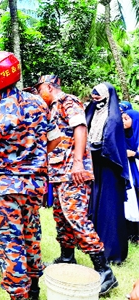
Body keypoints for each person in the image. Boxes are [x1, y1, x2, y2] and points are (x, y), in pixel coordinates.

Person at [0, 52, 61, 299]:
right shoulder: (38, 103)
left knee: (10, 244)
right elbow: (54, 139)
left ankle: (18, 294)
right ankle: (33, 290)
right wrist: (32, 159)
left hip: (5, 191)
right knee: (31, 236)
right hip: (34, 187)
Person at [36, 75, 118, 295]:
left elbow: (80, 129)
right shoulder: (51, 108)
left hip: (73, 173)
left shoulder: (68, 101)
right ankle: (66, 257)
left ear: (49, 86)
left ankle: (105, 273)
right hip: (59, 173)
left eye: (39, 88)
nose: (38, 92)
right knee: (62, 219)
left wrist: (78, 163)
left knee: (77, 219)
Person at [85, 82, 129, 264]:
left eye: (99, 96)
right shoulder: (92, 112)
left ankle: (113, 252)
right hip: (96, 167)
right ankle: (97, 247)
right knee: (96, 206)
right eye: (93, 96)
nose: (96, 99)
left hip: (110, 167)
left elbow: (112, 145)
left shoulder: (114, 119)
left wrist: (95, 148)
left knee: (109, 208)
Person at [121, 109, 139, 244]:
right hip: (129, 173)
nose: (123, 121)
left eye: (126, 118)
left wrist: (134, 154)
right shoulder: (122, 135)